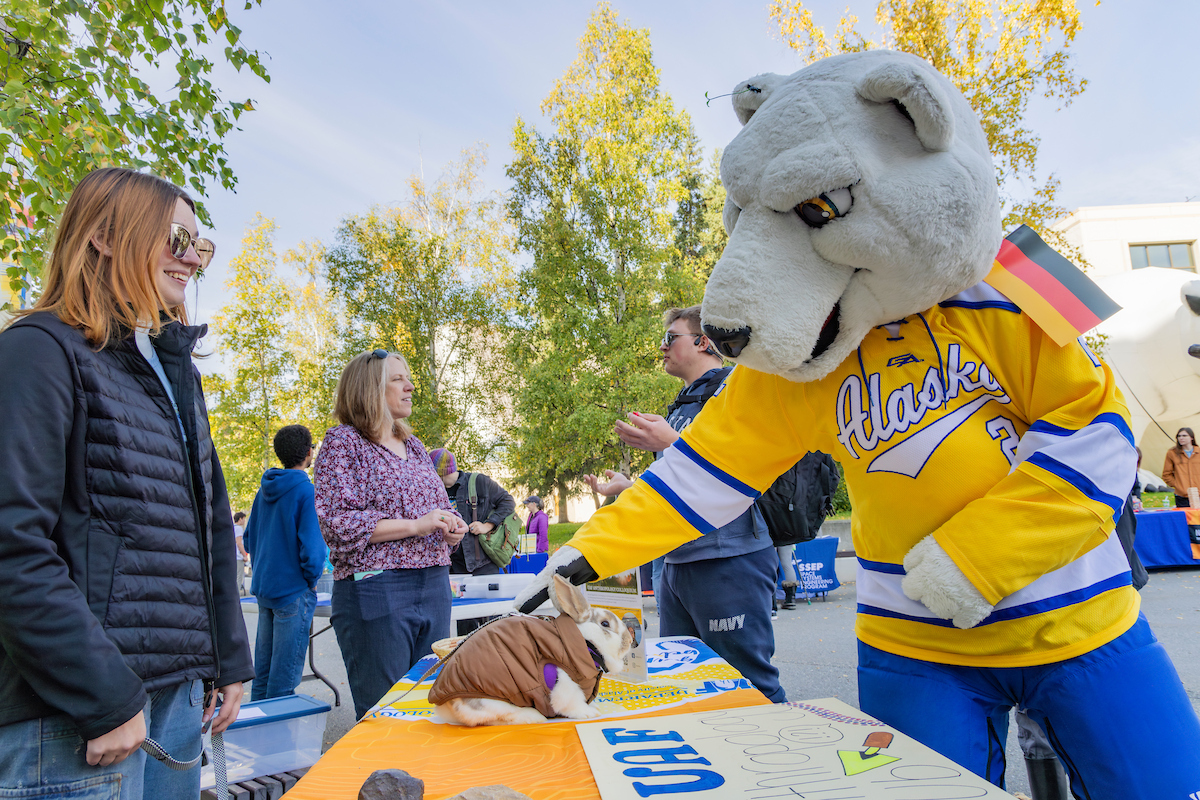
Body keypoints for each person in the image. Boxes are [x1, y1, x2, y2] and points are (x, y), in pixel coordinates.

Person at [0, 167, 251, 797]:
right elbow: (12, 544)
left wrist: (228, 661)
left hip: (175, 697)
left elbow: (208, 524)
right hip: (78, 715)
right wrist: (103, 693)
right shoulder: (39, 350)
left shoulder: (175, 372)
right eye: (176, 239)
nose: (192, 259)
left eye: (201, 245)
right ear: (107, 236)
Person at [584, 305, 784, 702]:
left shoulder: (738, 387)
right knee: (686, 683)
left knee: (749, 684)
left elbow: (748, 467)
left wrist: (671, 443)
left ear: (703, 340)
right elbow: (685, 483)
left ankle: (773, 760)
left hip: (729, 559)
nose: (662, 347)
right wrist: (631, 485)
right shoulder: (682, 405)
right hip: (676, 564)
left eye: (670, 338)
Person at [313, 349, 468, 719]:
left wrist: (452, 526)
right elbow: (337, 524)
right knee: (387, 714)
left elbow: (437, 508)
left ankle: (425, 779)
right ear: (369, 388)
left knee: (430, 707)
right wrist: (417, 525)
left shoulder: (414, 447)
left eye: (408, 377)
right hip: (378, 589)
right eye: (399, 379)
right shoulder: (343, 442)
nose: (410, 386)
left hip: (433, 585)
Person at [243, 425, 327, 701]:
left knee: (263, 675)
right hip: (293, 591)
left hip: (265, 589)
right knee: (284, 680)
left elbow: (247, 539)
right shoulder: (306, 491)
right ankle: (278, 742)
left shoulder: (263, 491)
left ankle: (259, 740)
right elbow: (313, 551)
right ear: (308, 452)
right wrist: (310, 579)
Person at [429, 448, 516, 578]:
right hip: (451, 566)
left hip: (482, 565)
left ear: (438, 473)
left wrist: (487, 525)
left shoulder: (479, 482)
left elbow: (508, 502)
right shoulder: (435, 492)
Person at [1162, 427, 1199, 508]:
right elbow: (1166, 474)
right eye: (1179, 436)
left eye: (1184, 436)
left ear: (1191, 437)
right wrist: (1178, 485)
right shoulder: (1172, 453)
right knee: (1184, 519)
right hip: (1182, 496)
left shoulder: (1198, 452)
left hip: (1198, 494)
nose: (1181, 438)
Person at [234, 511, 249, 595]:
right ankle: (236, 595)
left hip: (232, 556)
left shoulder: (232, 527)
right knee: (239, 577)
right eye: (243, 519)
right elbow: (239, 543)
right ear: (240, 519)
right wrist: (244, 555)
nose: (244, 521)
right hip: (238, 556)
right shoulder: (239, 528)